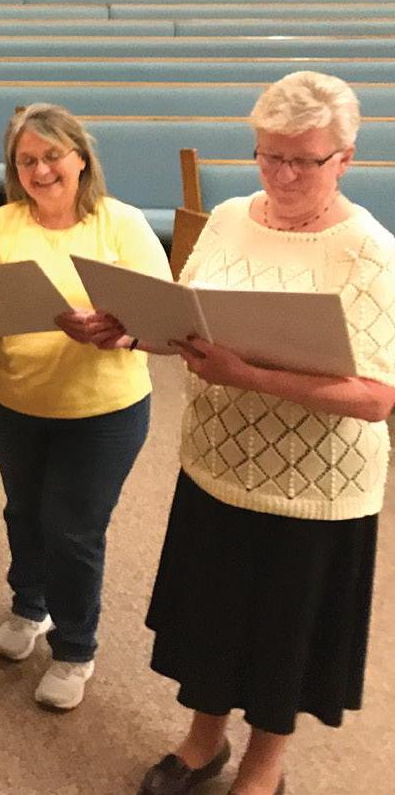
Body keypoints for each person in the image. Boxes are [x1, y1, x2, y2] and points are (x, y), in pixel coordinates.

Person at [118, 73, 395, 795]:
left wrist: (251, 376)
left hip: (313, 488)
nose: (282, 174)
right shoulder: (229, 216)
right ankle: (202, 742)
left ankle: (263, 768)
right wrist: (130, 328)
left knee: (283, 640)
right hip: (217, 463)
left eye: (303, 159)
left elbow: (376, 397)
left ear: (345, 158)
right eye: (269, 155)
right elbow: (187, 322)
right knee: (212, 619)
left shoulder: (368, 249)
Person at [0, 103, 169, 712]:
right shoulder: (1, 223)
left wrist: (120, 332)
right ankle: (30, 605)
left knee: (72, 529)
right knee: (24, 509)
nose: (41, 171)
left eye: (52, 156)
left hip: (101, 411)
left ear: (81, 159)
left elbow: (164, 324)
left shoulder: (122, 225)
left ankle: (75, 648)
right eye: (27, 161)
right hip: (10, 397)